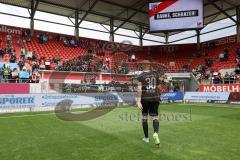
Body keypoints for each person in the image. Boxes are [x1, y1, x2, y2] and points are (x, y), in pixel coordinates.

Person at [137, 60, 162, 146]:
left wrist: (138, 101)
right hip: (155, 98)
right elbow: (159, 87)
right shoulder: (156, 74)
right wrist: (159, 96)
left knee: (144, 117)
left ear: (143, 66)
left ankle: (146, 138)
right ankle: (155, 133)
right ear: (149, 65)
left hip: (145, 98)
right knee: (155, 117)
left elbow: (139, 89)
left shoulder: (140, 76)